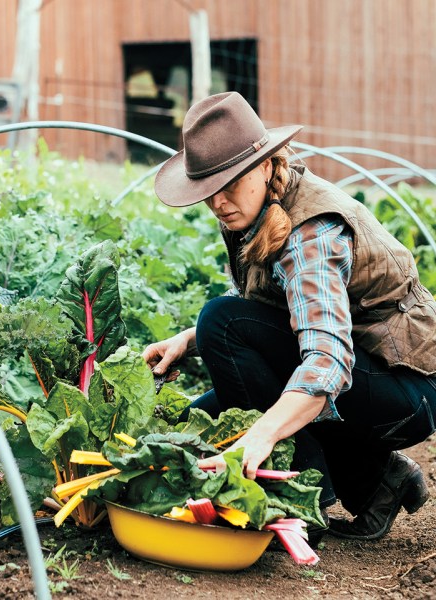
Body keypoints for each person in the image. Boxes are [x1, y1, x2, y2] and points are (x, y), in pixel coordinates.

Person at [141, 91, 436, 540]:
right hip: (370, 370)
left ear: (263, 165)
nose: (219, 202)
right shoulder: (263, 206)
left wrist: (262, 436)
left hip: (409, 385)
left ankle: (302, 500)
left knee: (222, 323)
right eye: (208, 191)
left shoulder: (311, 236)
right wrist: (188, 339)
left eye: (230, 184)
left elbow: (328, 361)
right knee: (192, 423)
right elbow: (277, 309)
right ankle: (380, 482)